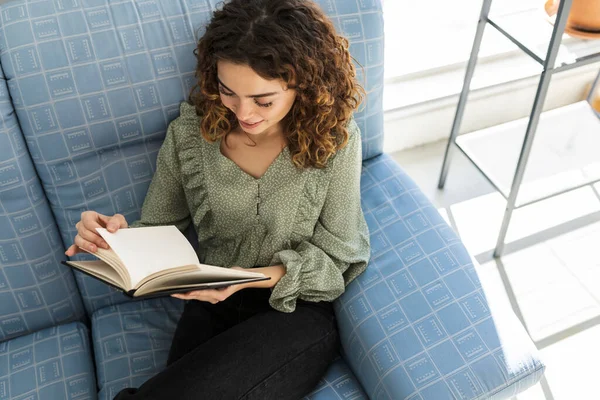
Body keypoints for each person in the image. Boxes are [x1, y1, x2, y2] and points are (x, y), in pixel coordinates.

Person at [65, 0, 370, 398]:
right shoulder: (189, 136)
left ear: (303, 84)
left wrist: (249, 279)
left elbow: (339, 255)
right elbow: (159, 227)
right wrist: (115, 238)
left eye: (263, 100)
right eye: (229, 92)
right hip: (209, 303)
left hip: (293, 308)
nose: (243, 112)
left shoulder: (336, 142)